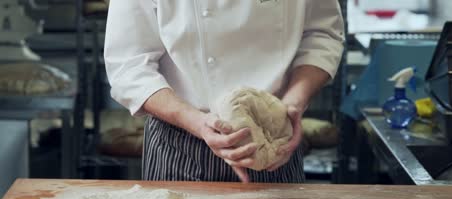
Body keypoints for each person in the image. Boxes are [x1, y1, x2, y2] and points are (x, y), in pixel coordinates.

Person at [104, 0, 344, 183]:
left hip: (273, 140)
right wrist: (197, 123)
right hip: (179, 145)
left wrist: (294, 102)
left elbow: (322, 34)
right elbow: (128, 64)